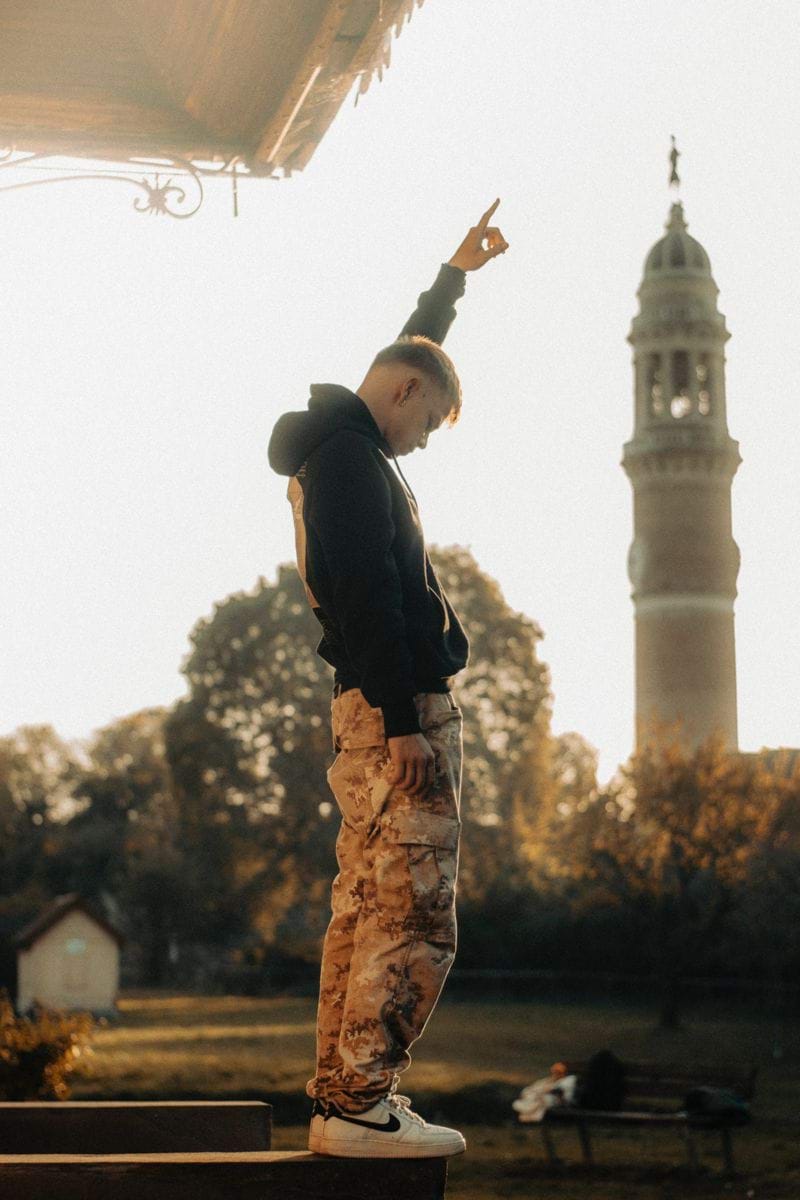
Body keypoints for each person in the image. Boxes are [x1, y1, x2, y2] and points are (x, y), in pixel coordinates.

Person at [268, 201, 508, 1159]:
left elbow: (408, 357)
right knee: (412, 910)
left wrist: (451, 282)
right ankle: (361, 1102)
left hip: (368, 712)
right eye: (430, 424)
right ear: (405, 396)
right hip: (394, 716)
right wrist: (407, 717)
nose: (423, 442)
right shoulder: (352, 463)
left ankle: (345, 1102)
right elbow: (368, 592)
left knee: (367, 902)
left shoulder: (342, 445)